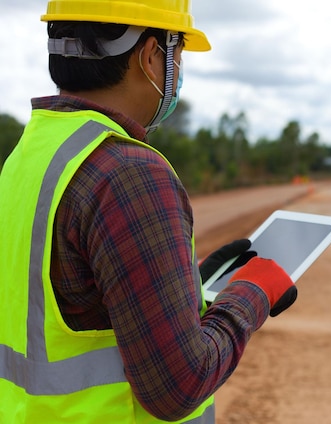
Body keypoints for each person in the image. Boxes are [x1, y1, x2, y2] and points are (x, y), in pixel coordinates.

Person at [0, 1, 297, 423]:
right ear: (150, 55)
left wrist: (186, 285)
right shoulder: (129, 174)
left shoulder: (29, 156)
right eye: (177, 53)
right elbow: (179, 387)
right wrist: (252, 293)